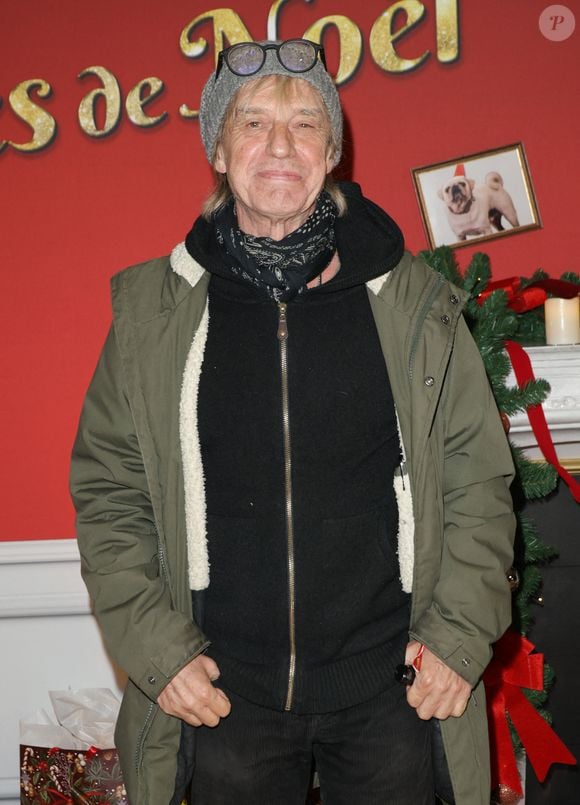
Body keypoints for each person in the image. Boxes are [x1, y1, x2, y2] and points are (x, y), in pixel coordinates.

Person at [70, 39, 515, 805]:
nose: (280, 144)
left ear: (333, 151)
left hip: (392, 694)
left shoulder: (416, 307)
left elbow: (478, 479)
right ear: (218, 146)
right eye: (253, 122)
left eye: (306, 123)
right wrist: (156, 650)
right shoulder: (153, 313)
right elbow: (110, 491)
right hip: (220, 695)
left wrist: (457, 638)